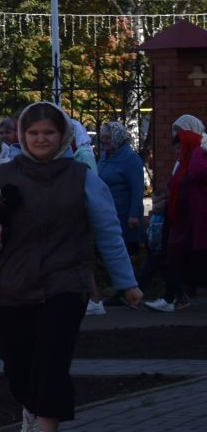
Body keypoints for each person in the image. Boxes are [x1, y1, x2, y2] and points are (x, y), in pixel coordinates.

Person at [0, 101, 142, 432]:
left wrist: (126, 283)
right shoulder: (5, 173)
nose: (41, 139)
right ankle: (31, 409)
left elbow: (108, 232)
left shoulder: (81, 177)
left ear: (62, 135)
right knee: (18, 365)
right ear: (22, 135)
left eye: (48, 133)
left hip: (66, 281)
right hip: (14, 283)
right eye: (33, 133)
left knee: (53, 358)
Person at [148, 114, 207, 312]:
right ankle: (172, 297)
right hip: (178, 218)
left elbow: (196, 174)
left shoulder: (198, 156)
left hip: (191, 219)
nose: (176, 149)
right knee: (172, 258)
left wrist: (198, 149)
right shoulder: (183, 161)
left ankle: (173, 298)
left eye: (180, 140)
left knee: (182, 258)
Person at [94, 121, 147, 299]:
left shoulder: (130, 159)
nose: (105, 141)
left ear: (118, 137)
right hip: (108, 211)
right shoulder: (106, 156)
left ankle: (126, 290)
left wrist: (133, 215)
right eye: (103, 138)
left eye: (108, 138)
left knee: (122, 251)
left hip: (124, 214)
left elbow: (137, 189)